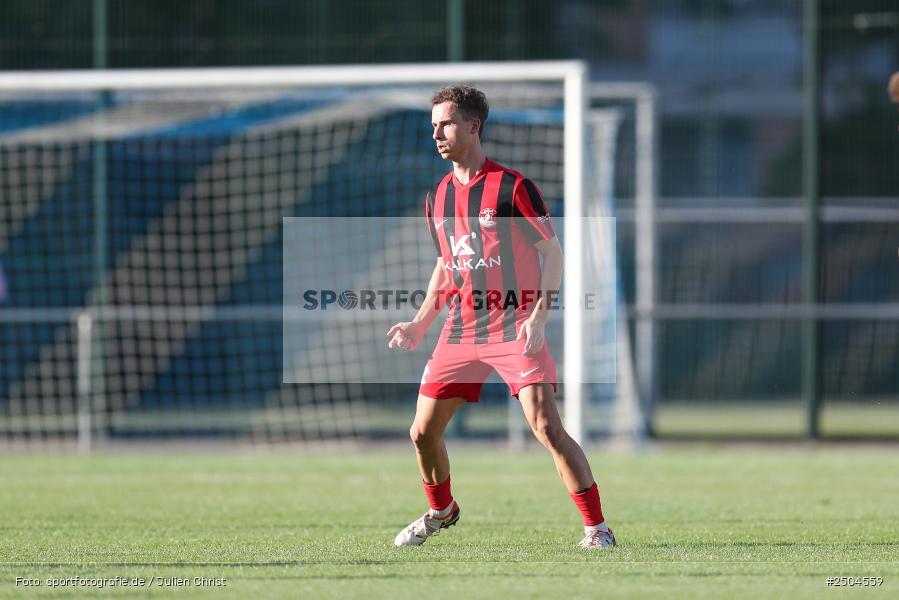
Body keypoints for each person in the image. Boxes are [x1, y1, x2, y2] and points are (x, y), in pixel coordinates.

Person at [387, 85, 615, 550]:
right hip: (460, 329)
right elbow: (447, 266)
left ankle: (597, 529)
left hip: (513, 327)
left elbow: (553, 254)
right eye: (433, 126)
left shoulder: (513, 187)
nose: (437, 134)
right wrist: (419, 323)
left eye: (446, 123)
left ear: (474, 125)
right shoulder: (438, 198)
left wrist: (538, 316)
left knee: (547, 427)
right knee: (421, 433)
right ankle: (441, 511)